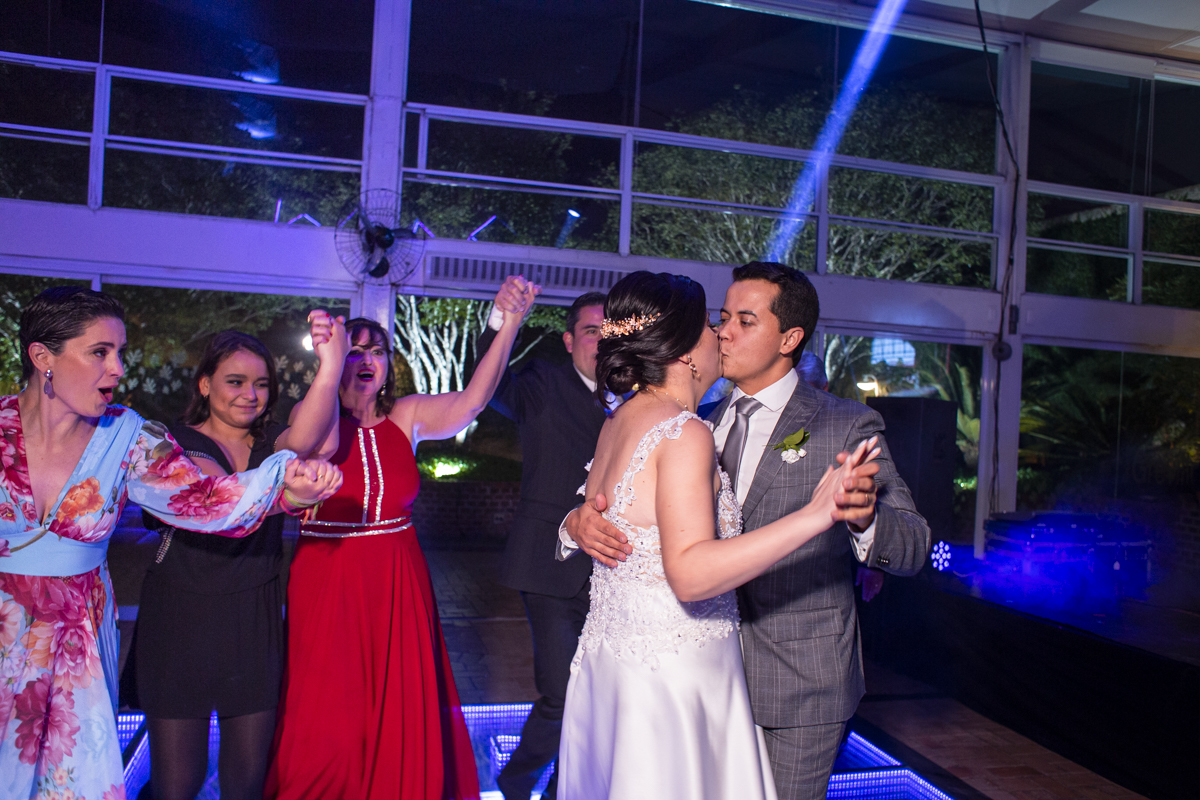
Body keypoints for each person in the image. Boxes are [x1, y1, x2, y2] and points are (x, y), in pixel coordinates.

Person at [566, 262, 931, 800]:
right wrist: (577, 520)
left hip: (795, 686)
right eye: (719, 318)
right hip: (691, 676)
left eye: (744, 320)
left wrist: (864, 518)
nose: (723, 332)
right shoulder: (689, 418)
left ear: (789, 338)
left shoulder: (843, 423)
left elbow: (915, 544)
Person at [0, 287, 340, 800]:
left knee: (73, 781)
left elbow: (204, 501)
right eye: (100, 352)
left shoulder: (127, 436)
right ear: (43, 357)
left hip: (77, 646)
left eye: (120, 352)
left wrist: (287, 490)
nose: (117, 369)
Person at [265, 275, 540, 800]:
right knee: (330, 710)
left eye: (378, 351)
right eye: (355, 350)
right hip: (329, 578)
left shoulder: (406, 415)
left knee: (398, 702)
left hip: (397, 578)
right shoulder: (312, 418)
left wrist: (509, 324)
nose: (368, 359)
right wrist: (329, 367)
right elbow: (300, 447)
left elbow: (474, 400)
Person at [129, 315, 348, 800]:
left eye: (261, 384)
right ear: (205, 384)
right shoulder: (172, 445)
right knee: (178, 784)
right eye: (235, 381)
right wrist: (290, 495)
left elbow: (316, 440)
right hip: (180, 619)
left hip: (254, 616)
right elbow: (219, 500)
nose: (250, 394)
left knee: (246, 784)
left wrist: (330, 365)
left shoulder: (270, 445)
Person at [478, 291, 608, 800]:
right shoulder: (542, 384)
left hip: (615, 570)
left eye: (611, 333)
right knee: (560, 691)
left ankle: (563, 789)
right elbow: (489, 384)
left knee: (598, 695)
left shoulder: (638, 397)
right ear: (570, 340)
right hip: (548, 568)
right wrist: (501, 321)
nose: (602, 342)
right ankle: (516, 782)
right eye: (592, 332)